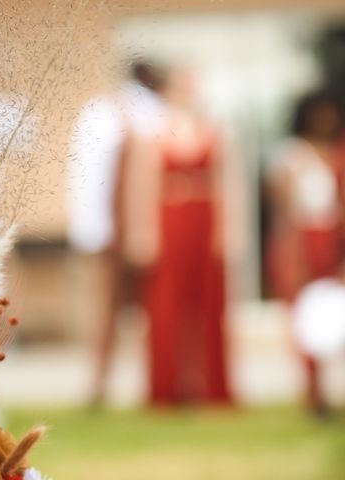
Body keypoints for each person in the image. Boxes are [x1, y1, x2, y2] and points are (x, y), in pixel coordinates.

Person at [123, 65, 233, 406]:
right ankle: (166, 389)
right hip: (169, 222)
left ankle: (211, 389)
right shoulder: (152, 134)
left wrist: (227, 232)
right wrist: (141, 233)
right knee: (165, 305)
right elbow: (139, 187)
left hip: (204, 221)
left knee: (209, 304)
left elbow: (228, 185)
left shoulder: (215, 131)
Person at [68, 61, 165, 405]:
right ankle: (102, 385)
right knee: (116, 311)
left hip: (111, 231)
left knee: (113, 311)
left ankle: (111, 385)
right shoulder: (139, 115)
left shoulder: (103, 113)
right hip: (117, 232)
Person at [266, 89, 345, 415]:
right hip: (300, 241)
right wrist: (292, 257)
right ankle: (314, 395)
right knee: (304, 319)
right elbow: (283, 212)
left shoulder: (337, 154)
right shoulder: (290, 156)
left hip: (333, 239)